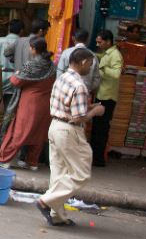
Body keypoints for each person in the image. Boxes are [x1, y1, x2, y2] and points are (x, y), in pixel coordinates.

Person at [35, 47, 106, 227]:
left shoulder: (62, 79)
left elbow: (68, 107)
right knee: (81, 173)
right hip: (69, 130)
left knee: (58, 173)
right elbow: (78, 117)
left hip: (55, 127)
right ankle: (47, 201)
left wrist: (88, 107)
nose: (90, 68)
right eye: (90, 64)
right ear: (83, 62)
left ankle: (57, 216)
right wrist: (95, 111)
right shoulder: (80, 86)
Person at [0, 37, 57, 171]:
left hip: (30, 102)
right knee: (38, 132)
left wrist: (15, 74)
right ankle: (32, 162)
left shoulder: (33, 64)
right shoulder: (51, 64)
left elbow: (17, 81)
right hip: (45, 102)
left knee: (19, 131)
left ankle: (4, 159)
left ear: (33, 49)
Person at [92, 29, 123, 167]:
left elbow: (116, 74)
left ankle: (98, 159)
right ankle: (94, 157)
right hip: (102, 94)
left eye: (100, 42)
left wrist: (103, 68)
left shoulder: (115, 55)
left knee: (101, 130)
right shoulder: (107, 53)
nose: (98, 44)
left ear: (108, 42)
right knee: (97, 128)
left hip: (107, 97)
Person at [0, 19, 25, 125]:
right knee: (9, 112)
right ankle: (5, 138)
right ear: (21, 31)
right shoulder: (24, 44)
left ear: (8, 29)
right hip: (14, 80)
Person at [56, 28, 100, 93]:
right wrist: (87, 87)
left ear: (73, 38)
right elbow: (96, 79)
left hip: (66, 90)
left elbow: (59, 73)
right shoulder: (92, 56)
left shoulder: (66, 53)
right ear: (87, 39)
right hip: (84, 91)